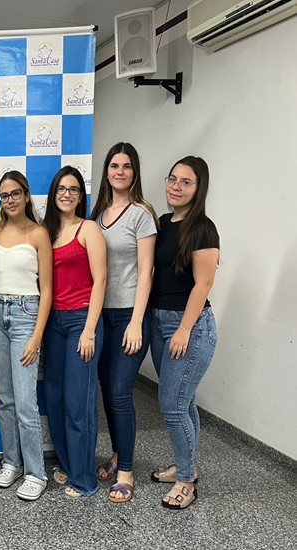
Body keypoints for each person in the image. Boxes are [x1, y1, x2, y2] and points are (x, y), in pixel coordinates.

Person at [149, 156, 219, 510]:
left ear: (198, 188)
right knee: (183, 402)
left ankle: (186, 481)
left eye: (185, 182)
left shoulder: (203, 228)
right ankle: (186, 463)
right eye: (172, 179)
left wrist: (184, 329)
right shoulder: (163, 222)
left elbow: (203, 283)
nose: (175, 187)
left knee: (171, 406)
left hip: (188, 326)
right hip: (160, 322)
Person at [90, 143, 157, 503]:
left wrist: (136, 321)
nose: (119, 171)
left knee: (119, 391)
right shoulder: (98, 214)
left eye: (126, 166)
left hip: (130, 315)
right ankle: (117, 455)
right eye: (114, 165)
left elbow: (146, 271)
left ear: (135, 173)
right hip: (102, 317)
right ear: (106, 172)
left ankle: (127, 470)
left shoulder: (141, 214)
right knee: (107, 391)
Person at [0, 171, 52, 501]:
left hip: (27, 315)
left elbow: (48, 289)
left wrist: (37, 336)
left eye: (15, 194)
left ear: (26, 195)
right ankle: (11, 462)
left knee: (26, 402)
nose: (9, 200)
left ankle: (36, 472)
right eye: (4, 195)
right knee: (5, 398)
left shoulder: (39, 233)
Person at [42, 165, 107, 498]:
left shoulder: (89, 229)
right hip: (53, 323)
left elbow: (101, 281)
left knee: (78, 404)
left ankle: (85, 480)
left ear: (81, 196)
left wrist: (90, 330)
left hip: (81, 322)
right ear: (54, 195)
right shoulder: (47, 232)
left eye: (73, 189)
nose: (66, 194)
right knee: (54, 399)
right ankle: (68, 466)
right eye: (61, 189)